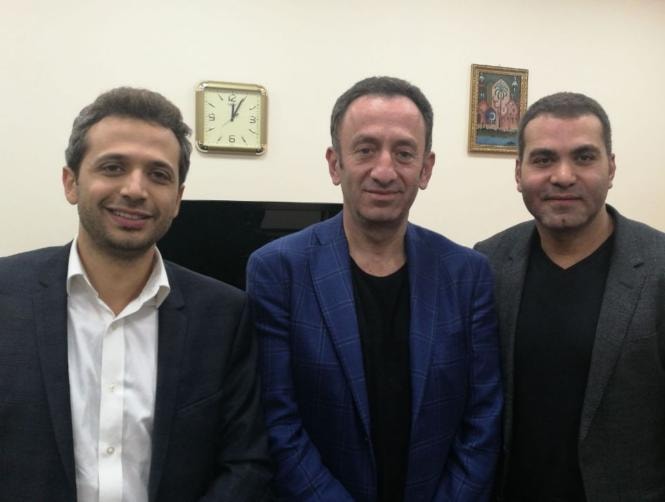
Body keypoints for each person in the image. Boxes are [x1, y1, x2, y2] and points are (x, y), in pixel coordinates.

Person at [0, 87, 272, 501]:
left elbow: (246, 463)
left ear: (177, 199)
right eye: (113, 167)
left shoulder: (224, 315)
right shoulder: (6, 296)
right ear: (71, 182)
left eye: (159, 175)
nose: (135, 189)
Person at [247, 76, 502, 501]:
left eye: (404, 153)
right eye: (365, 150)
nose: (384, 171)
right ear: (335, 164)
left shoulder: (468, 274)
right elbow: (277, 422)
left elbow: (483, 419)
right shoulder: (278, 271)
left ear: (425, 168)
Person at [475, 92, 665, 501]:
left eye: (584, 157)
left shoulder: (658, 268)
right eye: (543, 159)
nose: (563, 176)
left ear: (611, 168)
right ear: (519, 172)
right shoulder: (487, 263)